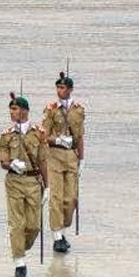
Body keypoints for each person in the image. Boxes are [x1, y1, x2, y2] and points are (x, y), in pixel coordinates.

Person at [0, 93, 47, 277]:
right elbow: (2, 161)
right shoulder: (6, 135)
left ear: (25, 111)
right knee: (17, 224)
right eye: (11, 109)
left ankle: (20, 248)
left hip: (33, 181)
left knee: (33, 226)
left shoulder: (38, 133)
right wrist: (11, 164)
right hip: (14, 181)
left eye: (16, 109)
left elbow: (43, 160)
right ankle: (20, 264)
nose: (12, 112)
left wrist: (48, 186)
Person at [42, 72, 84, 254]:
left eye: (63, 88)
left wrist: (82, 158)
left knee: (71, 199)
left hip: (71, 157)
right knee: (57, 197)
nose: (60, 91)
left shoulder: (78, 110)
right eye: (58, 88)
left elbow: (80, 135)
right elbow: (44, 135)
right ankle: (57, 235)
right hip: (55, 156)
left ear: (70, 89)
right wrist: (58, 140)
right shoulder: (51, 109)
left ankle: (63, 228)